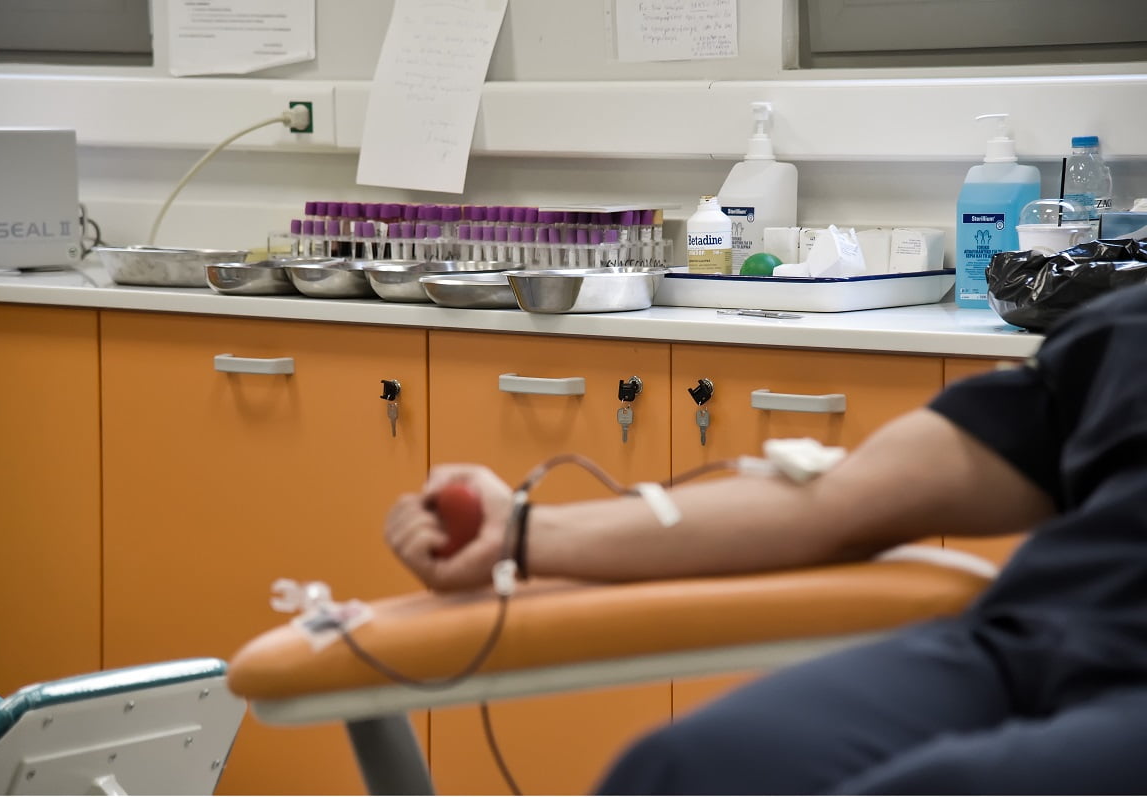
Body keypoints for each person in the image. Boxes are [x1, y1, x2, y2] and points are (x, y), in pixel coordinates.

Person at [383, 282, 1147, 794]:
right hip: (1029, 644)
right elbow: (838, 502)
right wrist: (521, 532)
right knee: (682, 770)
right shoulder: (1125, 333)